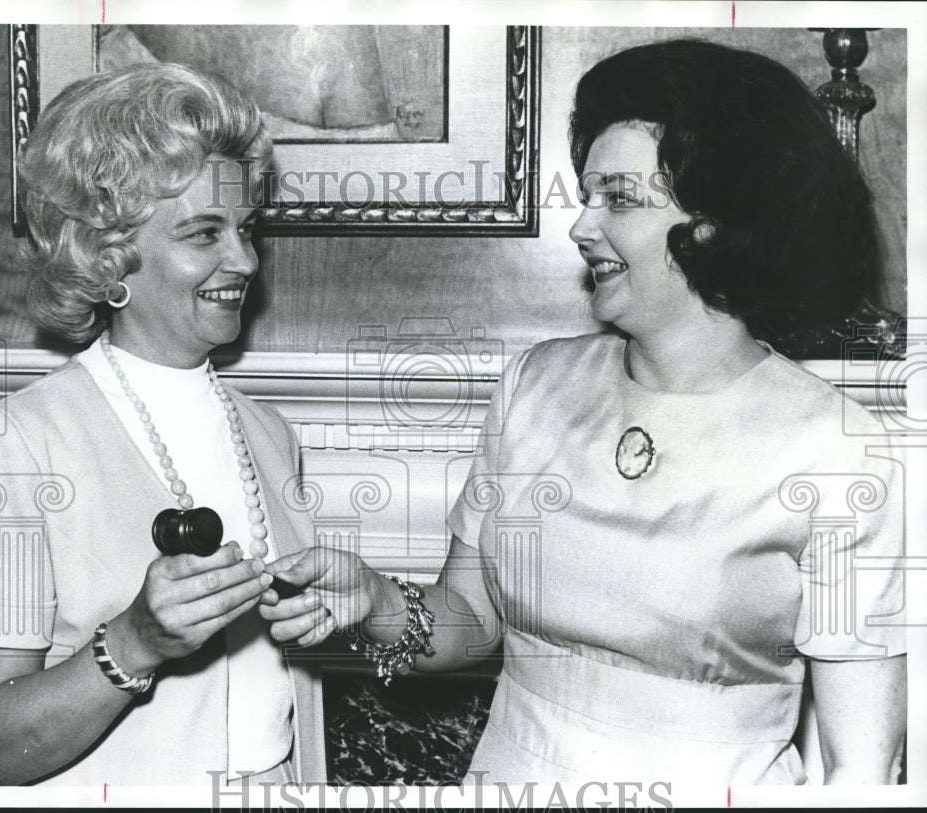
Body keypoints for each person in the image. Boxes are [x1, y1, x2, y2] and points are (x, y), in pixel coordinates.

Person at [258, 39, 908, 786]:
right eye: (589, 194)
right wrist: (374, 598)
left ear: (718, 221)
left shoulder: (838, 452)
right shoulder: (534, 388)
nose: (581, 226)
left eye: (621, 199)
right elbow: (469, 621)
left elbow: (862, 770)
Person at [0, 63, 324, 786]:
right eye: (203, 233)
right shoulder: (19, 442)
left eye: (245, 229)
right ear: (110, 254)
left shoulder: (272, 435)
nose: (244, 259)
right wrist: (133, 642)